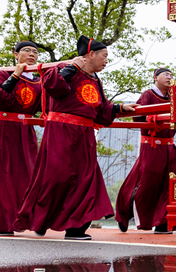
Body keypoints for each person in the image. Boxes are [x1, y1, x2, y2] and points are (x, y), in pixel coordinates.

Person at [15, 37, 138, 240]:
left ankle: (76, 228)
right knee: (56, 178)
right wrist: (72, 67)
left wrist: (119, 108)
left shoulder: (95, 79)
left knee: (86, 180)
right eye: (104, 56)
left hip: (85, 136)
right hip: (61, 132)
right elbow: (53, 86)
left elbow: (100, 110)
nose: (106, 61)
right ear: (90, 54)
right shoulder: (66, 68)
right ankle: (41, 219)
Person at [0, 41, 43, 235]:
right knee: (1, 174)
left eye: (35, 52)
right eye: (27, 50)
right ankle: (1, 223)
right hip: (5, 129)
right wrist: (16, 75)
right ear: (15, 54)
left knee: (30, 175)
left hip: (26, 131)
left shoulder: (40, 81)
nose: (32, 54)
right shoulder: (4, 74)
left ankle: (28, 220)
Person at [115, 67, 176, 234]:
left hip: (170, 146)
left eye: (171, 75)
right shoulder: (148, 95)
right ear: (155, 78)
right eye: (166, 74)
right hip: (151, 145)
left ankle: (163, 222)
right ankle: (126, 212)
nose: (169, 77)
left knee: (171, 184)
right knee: (146, 184)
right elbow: (138, 116)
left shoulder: (174, 97)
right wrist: (154, 117)